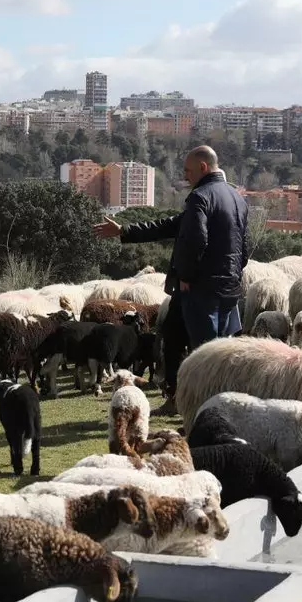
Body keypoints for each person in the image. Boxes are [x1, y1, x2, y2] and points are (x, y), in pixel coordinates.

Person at [92, 145, 249, 411]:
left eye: (188, 171)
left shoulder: (200, 196)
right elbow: (243, 246)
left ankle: (208, 408)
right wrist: (125, 231)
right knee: (176, 335)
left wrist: (187, 275)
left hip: (200, 289)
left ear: (202, 168)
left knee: (206, 353)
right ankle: (177, 397)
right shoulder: (237, 198)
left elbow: (196, 239)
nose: (185, 177)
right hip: (227, 287)